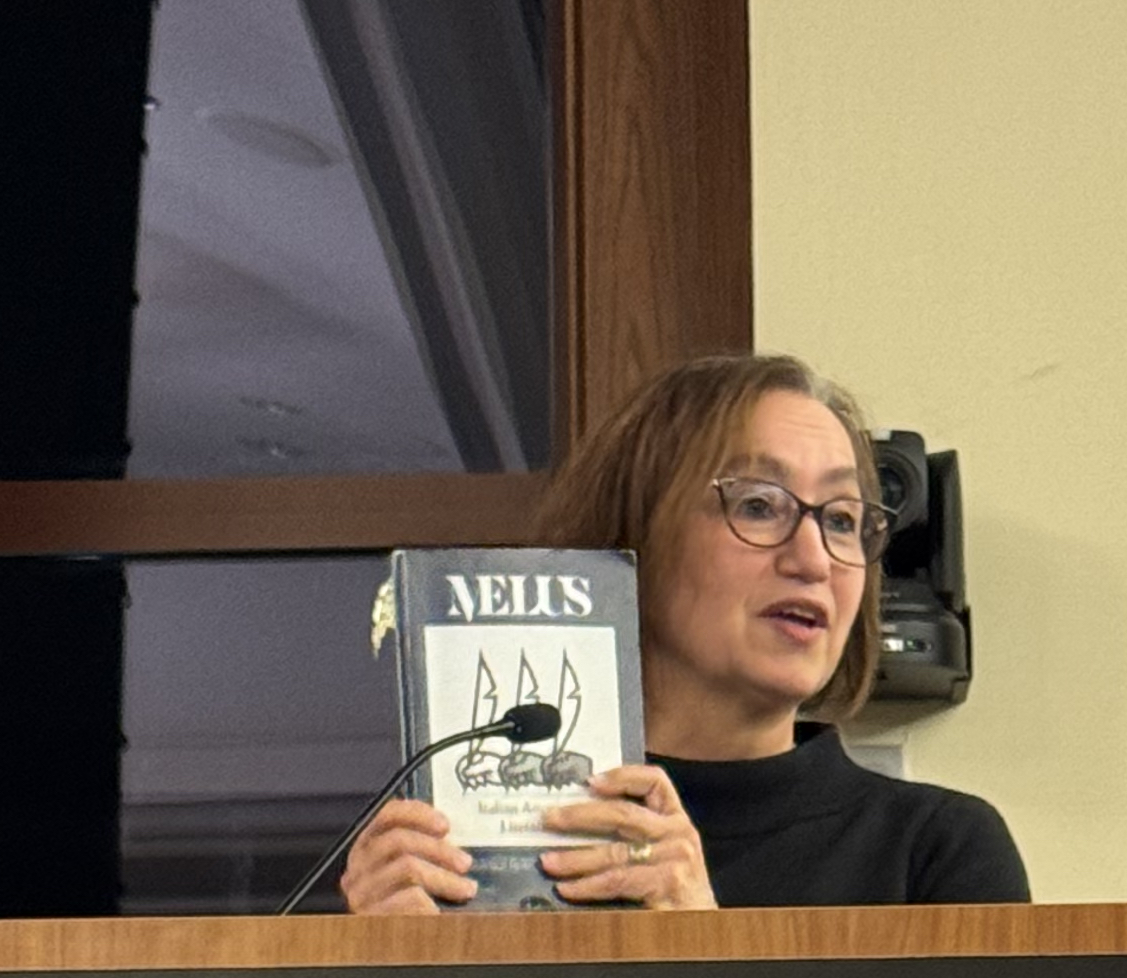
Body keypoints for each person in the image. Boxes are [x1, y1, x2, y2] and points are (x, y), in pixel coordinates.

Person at [342, 352, 1030, 912]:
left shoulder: (938, 852)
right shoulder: (490, 838)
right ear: (635, 537)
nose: (815, 558)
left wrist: (698, 952)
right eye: (760, 506)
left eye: (844, 519)